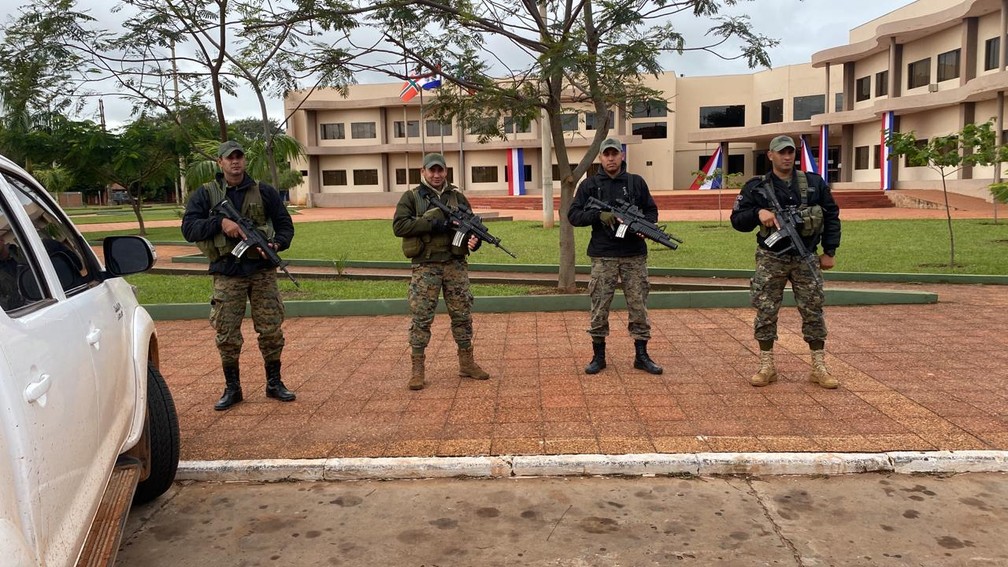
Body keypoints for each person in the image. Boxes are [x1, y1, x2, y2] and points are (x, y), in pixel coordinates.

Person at [181, 140, 297, 409]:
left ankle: (274, 383)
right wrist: (221, 223)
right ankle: (232, 388)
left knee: (271, 329)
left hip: (262, 272)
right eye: (229, 158)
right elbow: (189, 229)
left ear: (244, 161)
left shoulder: (264, 191)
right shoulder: (206, 194)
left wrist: (276, 244)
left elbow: (284, 226)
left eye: (239, 157)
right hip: (227, 272)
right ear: (220, 163)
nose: (235, 162)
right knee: (227, 333)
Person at [730, 135, 842, 389]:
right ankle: (766, 365)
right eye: (781, 152)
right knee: (766, 310)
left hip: (806, 257)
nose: (787, 157)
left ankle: (818, 365)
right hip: (771, 258)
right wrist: (758, 213)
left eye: (790, 152)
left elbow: (831, 216)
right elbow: (736, 220)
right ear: (770, 155)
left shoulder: (814, 183)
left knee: (813, 310)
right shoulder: (756, 187)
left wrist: (830, 251)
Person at [392, 152, 490, 391]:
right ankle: (418, 370)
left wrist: (473, 241)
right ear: (423, 171)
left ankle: (467, 363)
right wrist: (432, 223)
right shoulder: (412, 197)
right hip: (426, 267)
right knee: (422, 317)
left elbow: (469, 228)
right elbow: (399, 226)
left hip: (454, 265)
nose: (436, 175)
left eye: (440, 170)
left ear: (446, 172)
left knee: (462, 314)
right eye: (431, 170)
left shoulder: (457, 197)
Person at [567, 136, 663, 376]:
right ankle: (598, 355)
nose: (611, 158)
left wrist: (643, 226)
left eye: (615, 154)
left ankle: (641, 355)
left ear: (622, 156)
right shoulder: (589, 185)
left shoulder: (635, 183)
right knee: (599, 306)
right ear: (600, 157)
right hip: (603, 255)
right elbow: (574, 215)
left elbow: (651, 210)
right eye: (606, 154)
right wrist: (597, 216)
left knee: (638, 305)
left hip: (634, 255)